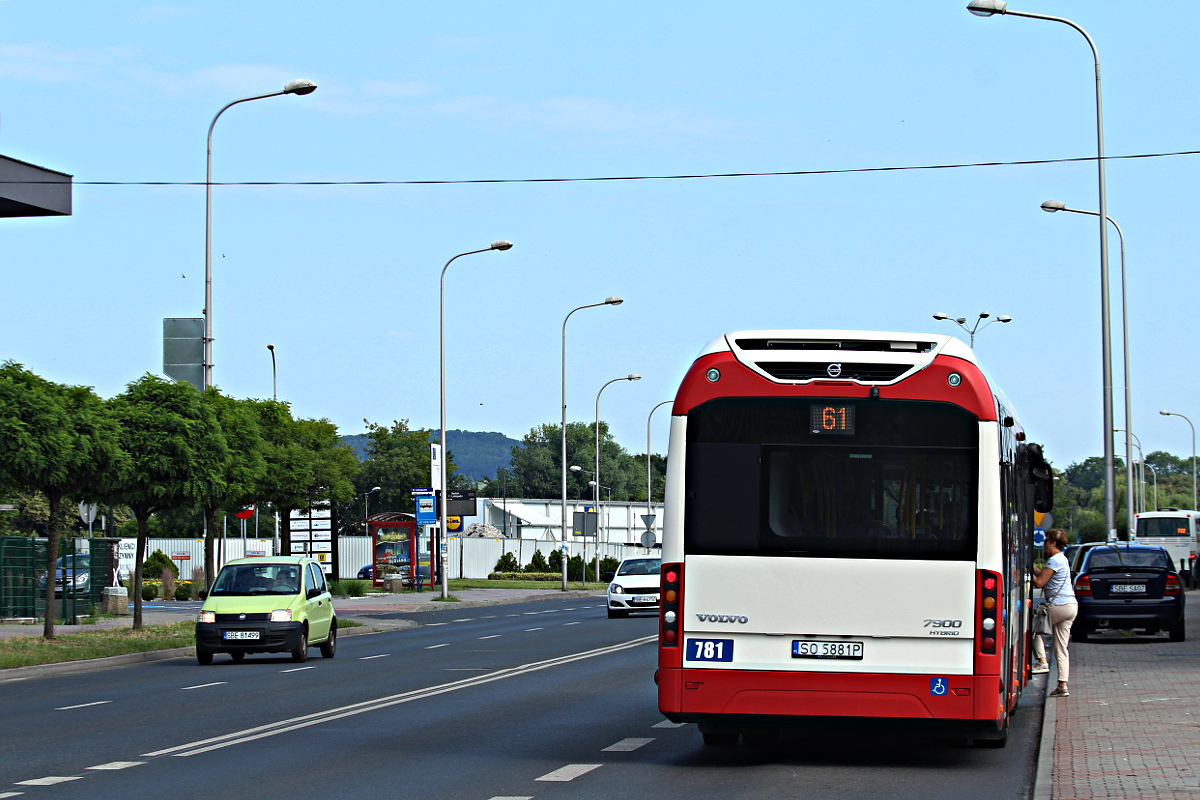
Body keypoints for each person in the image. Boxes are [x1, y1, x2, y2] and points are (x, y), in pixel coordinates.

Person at [1031, 528, 1077, 697]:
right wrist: (1031, 567)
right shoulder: (1062, 559)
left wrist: (1027, 570)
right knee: (1061, 647)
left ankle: (1042, 662)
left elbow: (1039, 583)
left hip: (1059, 605)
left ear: (1053, 543)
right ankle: (1062, 685)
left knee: (1030, 627)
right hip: (1070, 606)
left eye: (1046, 541)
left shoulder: (1053, 560)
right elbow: (1043, 575)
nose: (1044, 545)